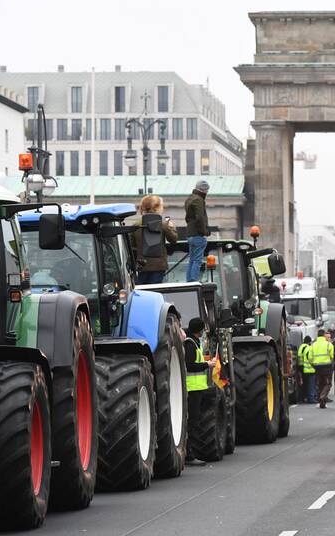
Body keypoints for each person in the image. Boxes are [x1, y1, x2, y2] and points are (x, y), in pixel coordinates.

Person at [131, 194, 178, 284]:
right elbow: (173, 239)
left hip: (141, 265)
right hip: (158, 265)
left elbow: (132, 246)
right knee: (156, 291)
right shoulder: (162, 224)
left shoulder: (136, 225)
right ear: (157, 207)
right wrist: (171, 227)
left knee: (142, 292)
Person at [183, 317, 212, 461]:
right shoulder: (190, 344)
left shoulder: (193, 342)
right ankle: (189, 454)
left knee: (194, 421)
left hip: (196, 388)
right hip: (192, 388)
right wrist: (208, 365)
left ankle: (190, 453)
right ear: (199, 330)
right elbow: (189, 365)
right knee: (192, 422)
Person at [184, 180, 211, 282]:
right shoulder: (199, 200)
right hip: (197, 235)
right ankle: (193, 281)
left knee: (192, 259)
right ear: (204, 189)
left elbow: (188, 218)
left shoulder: (189, 199)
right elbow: (200, 218)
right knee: (197, 260)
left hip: (190, 234)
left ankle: (189, 281)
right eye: (207, 190)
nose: (207, 192)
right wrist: (205, 231)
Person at [310, 328, 335, 408]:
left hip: (317, 367)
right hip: (327, 366)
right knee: (328, 384)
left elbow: (310, 358)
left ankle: (322, 404)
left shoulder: (313, 345)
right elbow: (333, 356)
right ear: (324, 335)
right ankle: (322, 396)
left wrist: (313, 365)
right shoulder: (328, 344)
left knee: (320, 384)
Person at [297, 335, 316, 404]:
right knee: (310, 384)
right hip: (308, 368)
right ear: (309, 341)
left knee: (303, 384)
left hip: (301, 367)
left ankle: (301, 398)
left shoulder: (301, 347)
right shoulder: (308, 348)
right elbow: (309, 358)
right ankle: (310, 398)